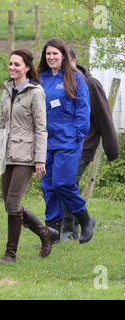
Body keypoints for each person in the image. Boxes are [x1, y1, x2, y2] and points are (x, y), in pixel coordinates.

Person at [0, 48, 59, 264]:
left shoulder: (35, 92)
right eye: (10, 64)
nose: (12, 68)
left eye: (17, 64)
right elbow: (1, 125)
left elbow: (41, 128)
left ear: (27, 67)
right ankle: (44, 232)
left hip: (26, 155)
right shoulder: (7, 89)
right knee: (10, 205)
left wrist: (39, 159)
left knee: (13, 204)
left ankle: (10, 254)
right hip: (7, 155)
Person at [38, 38, 95, 244]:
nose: (51, 57)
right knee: (48, 185)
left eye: (55, 53)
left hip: (68, 141)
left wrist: (77, 134)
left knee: (63, 183)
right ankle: (52, 233)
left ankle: (85, 218)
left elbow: (83, 109)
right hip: (46, 142)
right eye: (48, 54)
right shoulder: (41, 78)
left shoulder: (75, 78)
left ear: (63, 55)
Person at [60, 49, 119, 241]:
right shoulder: (60, 85)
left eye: (65, 61)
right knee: (62, 186)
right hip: (62, 146)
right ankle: (63, 230)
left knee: (66, 185)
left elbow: (105, 118)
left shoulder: (91, 84)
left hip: (83, 148)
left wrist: (111, 151)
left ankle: (70, 231)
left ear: (74, 62)